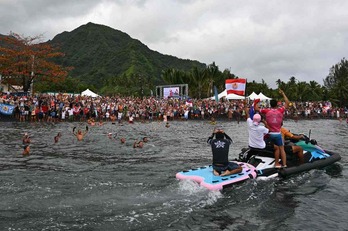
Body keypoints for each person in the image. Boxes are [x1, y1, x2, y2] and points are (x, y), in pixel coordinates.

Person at [255, 89, 290, 168]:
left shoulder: (267, 111)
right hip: (277, 134)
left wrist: (256, 102)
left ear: (270, 104)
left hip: (269, 133)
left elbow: (256, 109)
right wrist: (283, 93)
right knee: (282, 149)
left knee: (274, 147)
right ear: (277, 104)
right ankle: (284, 164)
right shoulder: (280, 110)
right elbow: (287, 103)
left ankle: (272, 160)